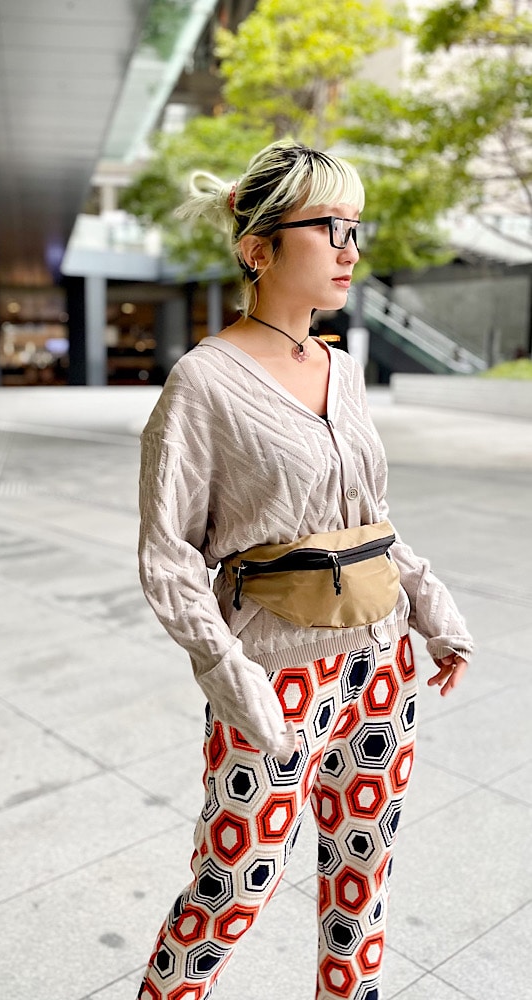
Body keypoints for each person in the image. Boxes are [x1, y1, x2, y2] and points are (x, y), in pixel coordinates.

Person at [135, 139, 473, 1000]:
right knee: (229, 893)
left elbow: (369, 517)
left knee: (363, 883)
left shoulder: (343, 370)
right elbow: (168, 554)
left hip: (381, 667)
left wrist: (432, 608)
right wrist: (229, 676)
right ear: (259, 248)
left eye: (356, 228)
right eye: (331, 228)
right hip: (275, 674)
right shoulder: (203, 384)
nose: (350, 249)